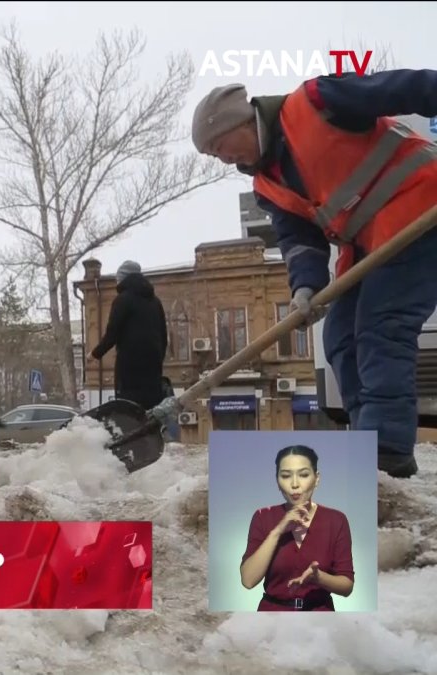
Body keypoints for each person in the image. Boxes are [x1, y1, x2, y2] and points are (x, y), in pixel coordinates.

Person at [187, 70, 437, 479]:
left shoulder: (317, 102)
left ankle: (387, 450)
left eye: (219, 146)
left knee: (380, 326)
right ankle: (368, 439)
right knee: (340, 335)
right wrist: (305, 285)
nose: (222, 158)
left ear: (240, 122)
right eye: (213, 155)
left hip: (421, 209)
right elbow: (300, 241)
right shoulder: (268, 187)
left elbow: (408, 87)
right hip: (370, 243)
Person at [239, 445, 354, 611]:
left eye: (304, 475)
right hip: (271, 617)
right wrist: (278, 531)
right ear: (277, 481)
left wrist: (319, 578)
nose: (294, 484)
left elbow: (347, 586)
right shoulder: (263, 517)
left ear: (317, 478)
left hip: (320, 618)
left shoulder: (336, 520)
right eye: (285, 476)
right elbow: (248, 580)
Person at [88, 260, 168, 411]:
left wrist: (94, 354)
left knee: (128, 412)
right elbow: (164, 337)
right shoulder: (155, 302)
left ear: (122, 279)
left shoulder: (123, 300)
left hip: (130, 368)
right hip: (153, 369)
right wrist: (158, 360)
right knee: (151, 413)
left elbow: (112, 334)